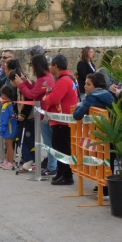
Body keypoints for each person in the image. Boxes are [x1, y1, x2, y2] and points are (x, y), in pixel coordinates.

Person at [43, 54, 78, 185]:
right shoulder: (71, 78)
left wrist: (46, 97)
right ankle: (61, 172)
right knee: (59, 148)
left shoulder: (64, 81)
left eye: (51, 65)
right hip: (63, 119)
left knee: (63, 149)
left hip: (62, 121)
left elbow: (54, 99)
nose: (50, 67)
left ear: (56, 66)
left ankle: (67, 175)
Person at [0, 86, 18, 170]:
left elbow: (4, 119)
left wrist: (1, 129)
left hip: (8, 129)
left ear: (5, 95)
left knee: (9, 145)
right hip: (13, 127)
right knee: (9, 145)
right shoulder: (12, 104)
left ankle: (10, 162)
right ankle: (7, 160)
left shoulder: (5, 105)